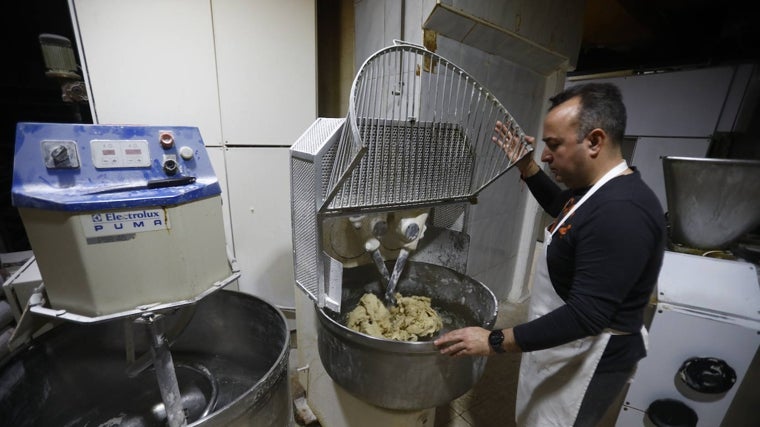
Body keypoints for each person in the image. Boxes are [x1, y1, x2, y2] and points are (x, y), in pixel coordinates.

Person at [434, 82, 666, 427]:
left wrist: (494, 340)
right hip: (566, 345)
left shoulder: (623, 212)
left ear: (595, 141)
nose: (545, 155)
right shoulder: (594, 193)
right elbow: (565, 210)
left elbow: (585, 316)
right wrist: (527, 169)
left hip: (589, 354)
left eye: (554, 145)